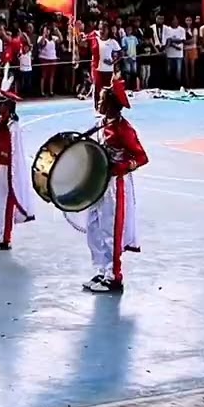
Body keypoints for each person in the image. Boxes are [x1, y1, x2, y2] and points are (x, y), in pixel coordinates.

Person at [71, 78, 147, 293]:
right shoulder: (101, 124)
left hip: (114, 184)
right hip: (98, 182)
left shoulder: (124, 129)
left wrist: (119, 166)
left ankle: (114, 276)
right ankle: (101, 270)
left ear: (112, 104)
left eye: (103, 99)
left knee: (110, 229)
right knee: (94, 227)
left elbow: (141, 157)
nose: (98, 102)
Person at [0, 92, 36, 250]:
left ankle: (4, 239)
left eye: (0, 104)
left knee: (3, 203)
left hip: (4, 169)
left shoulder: (12, 127)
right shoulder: (0, 123)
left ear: (8, 107)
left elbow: (9, 152)